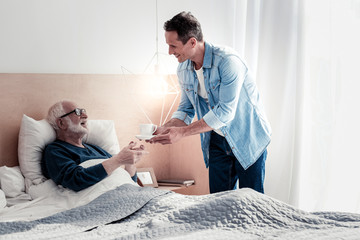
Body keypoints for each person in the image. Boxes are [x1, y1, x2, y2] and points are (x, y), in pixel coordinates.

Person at [149, 12, 271, 194]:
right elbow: (186, 109)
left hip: (248, 137)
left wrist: (182, 133)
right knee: (218, 205)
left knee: (251, 205)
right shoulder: (183, 68)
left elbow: (225, 112)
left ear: (192, 42)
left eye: (173, 46)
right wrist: (165, 128)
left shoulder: (228, 62)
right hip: (216, 141)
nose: (169, 52)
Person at [41, 100, 147, 192]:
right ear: (61, 123)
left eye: (84, 111)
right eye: (77, 112)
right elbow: (75, 181)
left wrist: (129, 163)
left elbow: (128, 182)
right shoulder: (55, 150)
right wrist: (118, 160)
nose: (85, 116)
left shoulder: (96, 149)